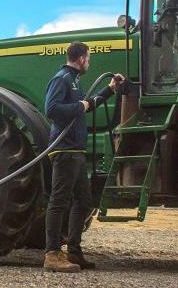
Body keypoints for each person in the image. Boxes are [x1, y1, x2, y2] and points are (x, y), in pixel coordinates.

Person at [43, 41, 125, 273]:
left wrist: (110, 89)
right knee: (59, 201)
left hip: (76, 150)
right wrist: (80, 105)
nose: (89, 62)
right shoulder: (62, 79)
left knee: (84, 202)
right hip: (65, 150)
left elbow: (88, 104)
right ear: (81, 59)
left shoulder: (74, 81)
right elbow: (52, 110)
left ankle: (74, 252)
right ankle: (51, 254)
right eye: (88, 58)